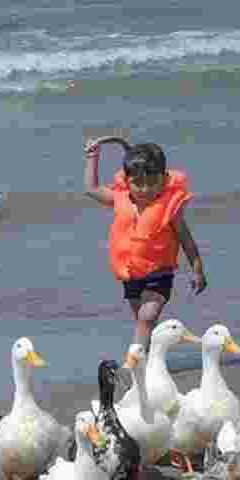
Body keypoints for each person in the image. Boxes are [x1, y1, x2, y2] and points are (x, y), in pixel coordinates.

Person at [83, 138, 207, 349]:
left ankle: (132, 363)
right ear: (127, 180)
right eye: (138, 183)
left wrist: (197, 270)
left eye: (152, 182)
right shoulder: (119, 198)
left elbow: (186, 240)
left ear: (164, 179)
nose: (145, 189)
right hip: (130, 274)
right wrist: (92, 157)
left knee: (147, 316)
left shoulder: (170, 208)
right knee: (143, 320)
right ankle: (149, 358)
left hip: (159, 272)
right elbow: (91, 188)